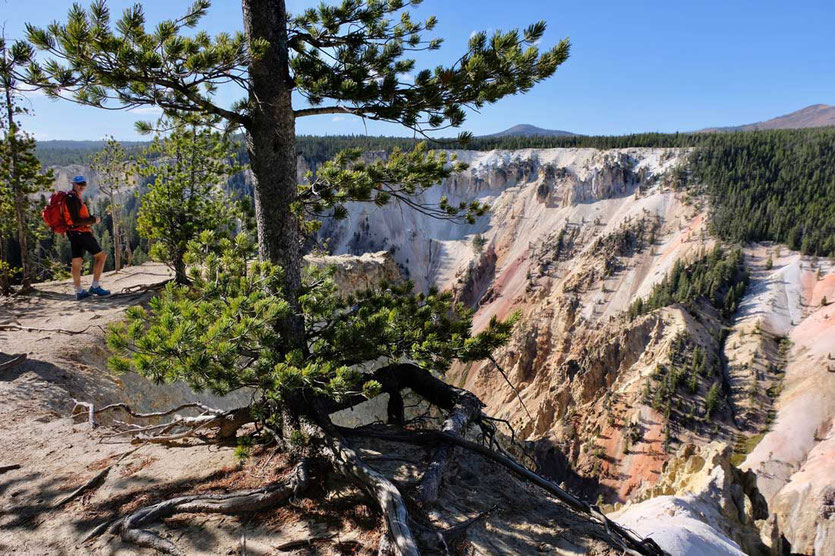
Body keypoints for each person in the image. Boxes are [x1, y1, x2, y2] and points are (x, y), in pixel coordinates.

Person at [63, 175, 110, 300]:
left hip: (73, 234)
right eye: (80, 184)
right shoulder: (72, 198)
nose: (82, 186)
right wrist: (94, 220)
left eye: (84, 184)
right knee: (101, 256)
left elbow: (74, 220)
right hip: (81, 233)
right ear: (74, 184)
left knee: (77, 261)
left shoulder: (71, 197)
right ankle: (95, 286)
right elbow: (76, 220)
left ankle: (79, 291)